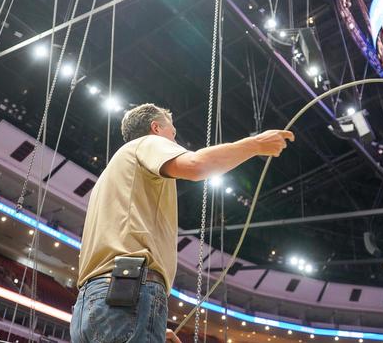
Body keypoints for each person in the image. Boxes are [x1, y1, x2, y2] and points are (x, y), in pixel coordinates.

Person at [70, 103, 294, 342]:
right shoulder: (147, 143)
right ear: (155, 128)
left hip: (93, 303)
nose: (174, 143)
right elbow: (196, 166)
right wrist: (255, 144)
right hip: (127, 293)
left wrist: (145, 324)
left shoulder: (112, 175)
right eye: (173, 134)